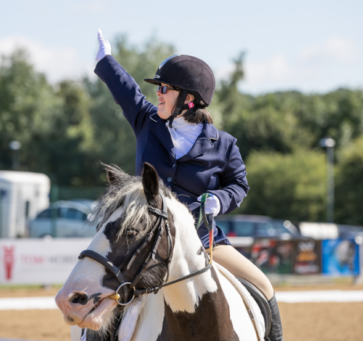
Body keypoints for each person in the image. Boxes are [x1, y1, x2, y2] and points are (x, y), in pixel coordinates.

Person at [94, 29, 283, 341]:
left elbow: (239, 185)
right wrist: (106, 60)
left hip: (202, 242)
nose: (159, 93)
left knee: (263, 286)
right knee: (107, 296)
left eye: (166, 88)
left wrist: (220, 200)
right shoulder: (147, 122)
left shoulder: (224, 145)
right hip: (147, 241)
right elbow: (124, 89)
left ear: (190, 99)